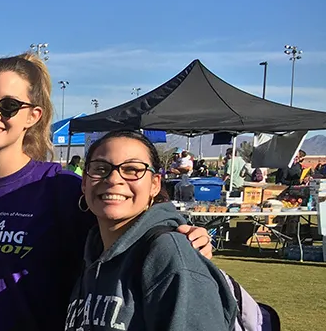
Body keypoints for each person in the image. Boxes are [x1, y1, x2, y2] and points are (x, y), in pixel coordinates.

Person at [0, 53, 212, 331]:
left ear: (34, 116)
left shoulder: (60, 188)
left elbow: (129, 226)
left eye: (9, 106)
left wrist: (182, 232)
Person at [66, 130, 237, 330]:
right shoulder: (90, 250)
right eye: (100, 168)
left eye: (132, 170)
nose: (113, 179)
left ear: (154, 185)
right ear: (85, 183)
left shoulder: (168, 255)